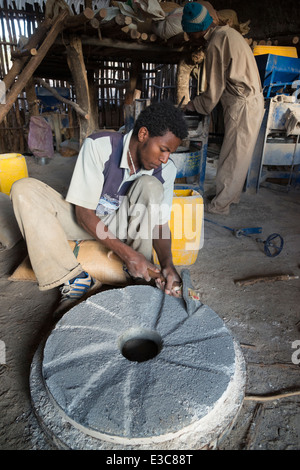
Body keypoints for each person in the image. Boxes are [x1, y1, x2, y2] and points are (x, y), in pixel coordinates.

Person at [11, 101, 188, 316]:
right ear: (143, 134)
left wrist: (167, 263)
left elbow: (159, 223)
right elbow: (83, 213)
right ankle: (74, 279)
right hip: (84, 220)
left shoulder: (167, 171)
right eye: (163, 149)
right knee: (24, 189)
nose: (164, 159)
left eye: (170, 153)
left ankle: (140, 275)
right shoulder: (100, 146)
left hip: (124, 224)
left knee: (150, 186)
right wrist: (126, 254)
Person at [181, 2, 264, 215]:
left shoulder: (217, 42)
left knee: (234, 156)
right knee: (236, 153)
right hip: (246, 101)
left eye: (190, 34)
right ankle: (228, 196)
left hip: (243, 103)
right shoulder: (227, 34)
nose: (190, 39)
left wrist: (194, 104)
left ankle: (220, 206)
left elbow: (214, 90)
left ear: (199, 30)